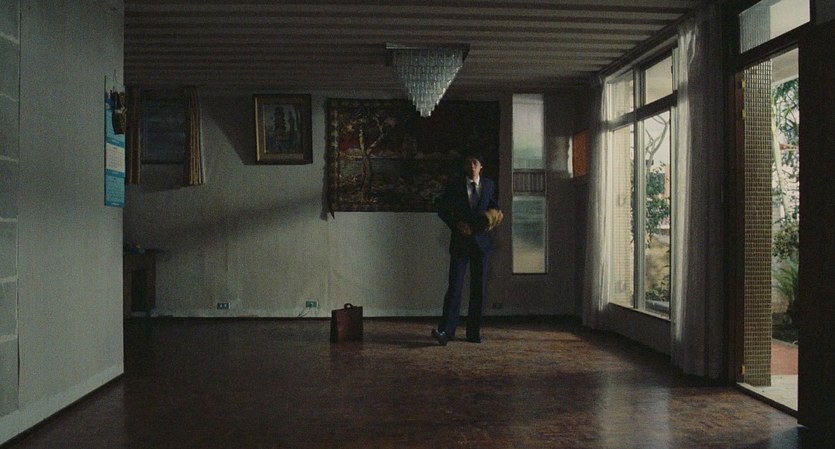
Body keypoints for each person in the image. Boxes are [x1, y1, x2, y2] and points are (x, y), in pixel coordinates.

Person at [432, 155, 498, 345]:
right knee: (454, 287)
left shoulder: (489, 185)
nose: (471, 165)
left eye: (475, 162)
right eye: (468, 163)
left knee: (479, 289)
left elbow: (494, 209)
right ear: (464, 167)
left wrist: (482, 225)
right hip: (460, 243)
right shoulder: (455, 186)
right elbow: (442, 210)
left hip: (481, 244)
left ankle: (473, 333)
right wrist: (457, 224)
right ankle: (446, 332)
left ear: (481, 166)